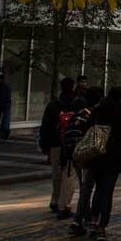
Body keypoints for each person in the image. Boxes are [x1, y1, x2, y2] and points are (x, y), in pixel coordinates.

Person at [86, 86, 121, 241]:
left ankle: (94, 221)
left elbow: (87, 129)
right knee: (107, 191)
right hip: (113, 157)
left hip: (97, 154)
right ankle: (102, 225)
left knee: (98, 189)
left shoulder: (98, 111)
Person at [37, 77, 78, 216]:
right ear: (73, 87)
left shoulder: (53, 104)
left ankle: (54, 200)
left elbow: (45, 126)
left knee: (56, 173)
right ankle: (64, 204)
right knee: (68, 173)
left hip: (55, 143)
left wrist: (44, 144)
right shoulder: (77, 104)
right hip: (71, 144)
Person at [68, 86, 105, 235]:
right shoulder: (95, 115)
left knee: (85, 186)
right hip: (88, 156)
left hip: (76, 154)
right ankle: (78, 220)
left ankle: (86, 217)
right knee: (86, 188)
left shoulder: (80, 113)